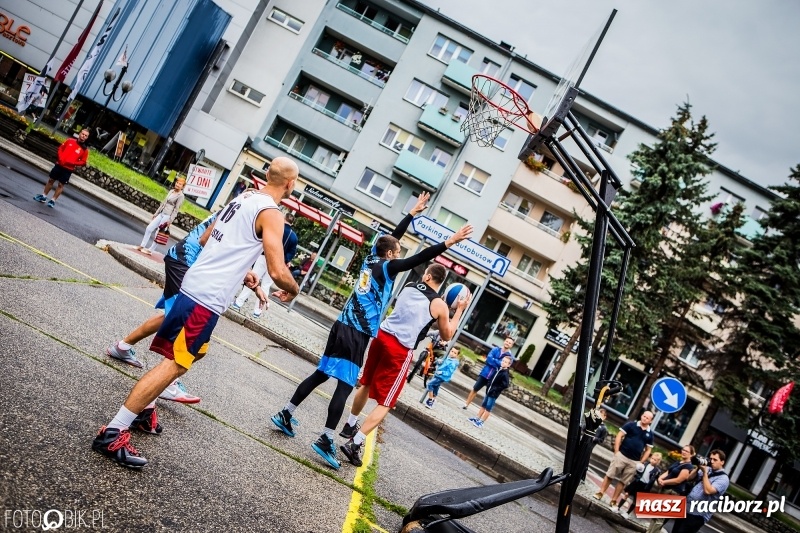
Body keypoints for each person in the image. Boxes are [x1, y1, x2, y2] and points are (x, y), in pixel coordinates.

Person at [91, 156, 301, 468]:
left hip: (196, 287)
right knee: (175, 365)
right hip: (206, 298)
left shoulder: (243, 197)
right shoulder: (272, 213)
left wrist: (240, 270)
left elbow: (206, 239)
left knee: (195, 353)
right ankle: (114, 431)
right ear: (290, 184)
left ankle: (144, 408)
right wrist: (293, 289)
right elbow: (277, 268)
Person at [271, 191, 473, 469]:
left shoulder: (371, 259)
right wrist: (449, 242)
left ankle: (286, 413)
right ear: (390, 255)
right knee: (344, 384)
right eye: (397, 252)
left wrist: (412, 215)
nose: (399, 255)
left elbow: (392, 237)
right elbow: (418, 258)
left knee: (320, 374)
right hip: (356, 332)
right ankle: (326, 438)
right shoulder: (388, 268)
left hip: (341, 324)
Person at [339, 263, 471, 467]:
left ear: (427, 276)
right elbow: (447, 334)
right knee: (387, 402)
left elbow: (416, 313)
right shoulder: (439, 306)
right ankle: (355, 444)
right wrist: (459, 310)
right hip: (399, 350)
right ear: (440, 282)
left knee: (366, 383)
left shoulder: (409, 286)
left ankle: (350, 424)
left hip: (382, 336)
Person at [105, 212, 218, 413]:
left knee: (170, 316)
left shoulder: (244, 204)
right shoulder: (245, 208)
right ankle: (167, 383)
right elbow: (206, 239)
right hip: (185, 261)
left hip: (184, 260)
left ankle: (122, 347)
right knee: (184, 324)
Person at [232, 211, 298, 318]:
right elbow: (291, 253)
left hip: (264, 257)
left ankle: (238, 302)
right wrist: (283, 260)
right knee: (266, 285)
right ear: (292, 223)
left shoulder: (276, 228)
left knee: (253, 280)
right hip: (278, 263)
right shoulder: (294, 237)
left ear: (284, 218)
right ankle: (257, 311)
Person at [593, 410, 654, 505]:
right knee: (610, 475)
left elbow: (648, 450)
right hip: (621, 455)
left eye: (647, 418)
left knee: (623, 481)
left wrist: (641, 462)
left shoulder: (650, 434)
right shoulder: (631, 425)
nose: (644, 418)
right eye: (644, 416)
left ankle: (613, 500)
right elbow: (619, 436)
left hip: (634, 461)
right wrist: (616, 451)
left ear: (650, 421)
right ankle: (600, 492)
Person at [670, 450, 729, 533]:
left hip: (698, 514)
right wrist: (698, 467)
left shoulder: (723, 479)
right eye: (711, 459)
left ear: (722, 462)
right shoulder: (707, 468)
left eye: (715, 460)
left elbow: (708, 491)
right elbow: (689, 478)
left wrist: (704, 473)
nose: (711, 461)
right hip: (687, 508)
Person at [644, 444, 697, 533]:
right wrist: (660, 478)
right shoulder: (678, 462)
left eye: (686, 451)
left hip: (673, 492)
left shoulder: (689, 467)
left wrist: (664, 482)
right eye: (683, 450)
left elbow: (678, 480)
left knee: (660, 518)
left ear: (691, 455)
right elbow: (668, 472)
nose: (683, 452)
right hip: (665, 489)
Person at [33, 128, 90, 208]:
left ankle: (53, 200)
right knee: (51, 180)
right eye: (82, 134)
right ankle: (43, 196)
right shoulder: (70, 140)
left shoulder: (85, 150)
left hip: (68, 169)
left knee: (60, 184)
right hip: (59, 165)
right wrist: (60, 157)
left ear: (87, 138)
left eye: (85, 135)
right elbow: (60, 148)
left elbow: (83, 162)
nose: (83, 136)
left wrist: (73, 163)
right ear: (80, 134)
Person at [462, 337, 514, 409]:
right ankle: (466, 404)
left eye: (509, 343)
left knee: (488, 395)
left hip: (494, 378)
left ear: (511, 345)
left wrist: (494, 361)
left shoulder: (509, 357)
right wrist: (497, 362)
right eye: (507, 341)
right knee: (475, 388)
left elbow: (502, 365)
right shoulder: (496, 349)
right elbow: (488, 359)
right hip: (485, 373)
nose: (507, 343)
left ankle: (480, 413)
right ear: (504, 341)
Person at [137, 178, 185, 255]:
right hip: (161, 213)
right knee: (149, 228)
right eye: (177, 183)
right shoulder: (171, 191)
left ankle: (151, 250)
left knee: (158, 232)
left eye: (180, 184)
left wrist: (170, 220)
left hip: (167, 216)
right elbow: (163, 203)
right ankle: (142, 245)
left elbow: (176, 209)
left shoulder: (181, 196)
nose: (177, 184)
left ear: (182, 187)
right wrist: (156, 213)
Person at [611, 452, 662, 518]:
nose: (652, 460)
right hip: (637, 482)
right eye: (652, 458)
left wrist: (660, 483)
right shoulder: (645, 464)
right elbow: (639, 471)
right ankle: (617, 508)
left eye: (655, 460)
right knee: (626, 494)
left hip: (644, 486)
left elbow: (657, 479)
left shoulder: (657, 471)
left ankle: (627, 513)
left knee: (636, 500)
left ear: (658, 461)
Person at [469, 355, 512, 428]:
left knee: (488, 408)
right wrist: (489, 385)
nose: (503, 363)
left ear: (508, 365)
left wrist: (495, 389)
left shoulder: (505, 374)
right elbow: (491, 378)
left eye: (505, 362)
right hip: (489, 391)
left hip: (493, 394)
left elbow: (505, 385)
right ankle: (477, 418)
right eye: (503, 361)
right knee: (483, 405)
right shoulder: (498, 369)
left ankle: (481, 422)